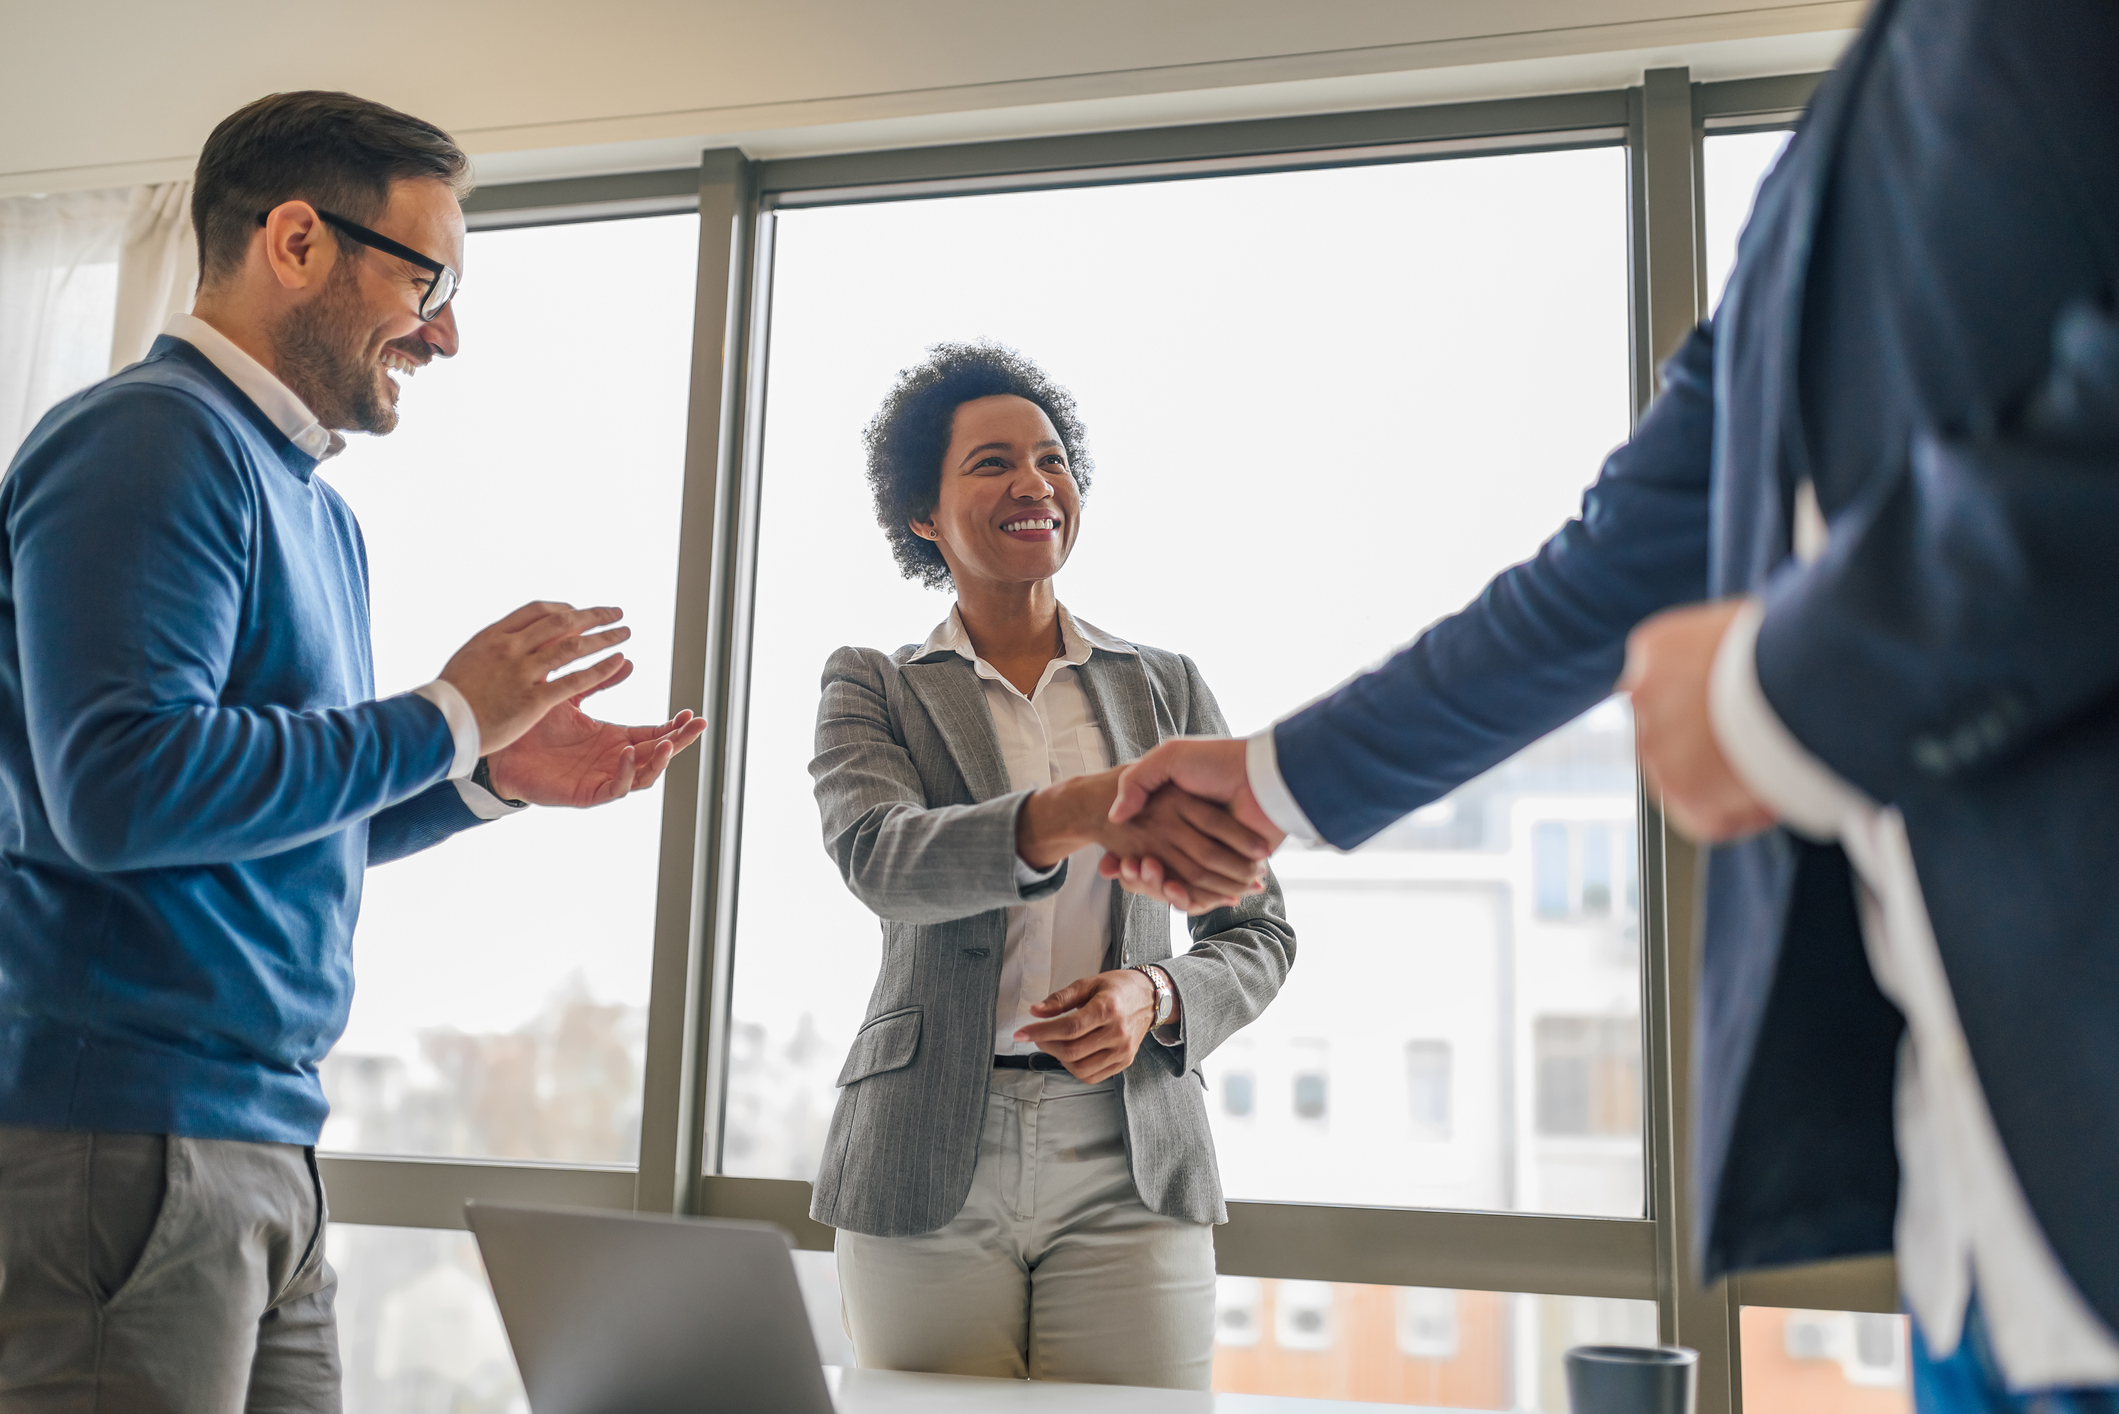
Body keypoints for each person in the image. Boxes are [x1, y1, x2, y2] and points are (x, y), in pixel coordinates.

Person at [1104, 3, 2119, 1409]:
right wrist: (1275, 781)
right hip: (1983, 1224)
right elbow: (1612, 572)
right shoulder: (1833, 155)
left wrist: (1777, 691)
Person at [0, 92, 705, 1407]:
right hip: (130, 1137)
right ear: (296, 241)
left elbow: (263, 821)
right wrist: (440, 716)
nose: (447, 332)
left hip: (263, 1148)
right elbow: (119, 788)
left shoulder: (315, 514)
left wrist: (483, 777)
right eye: (425, 277)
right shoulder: (148, 443)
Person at [807, 342, 1295, 1390]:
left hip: (1131, 1154)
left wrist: (1156, 992)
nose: (1035, 482)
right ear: (922, 515)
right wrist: (1079, 807)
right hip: (924, 1146)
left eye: (1052, 456)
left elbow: (1258, 928)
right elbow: (882, 858)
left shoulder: (1162, 687)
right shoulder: (874, 686)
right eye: (991, 462)